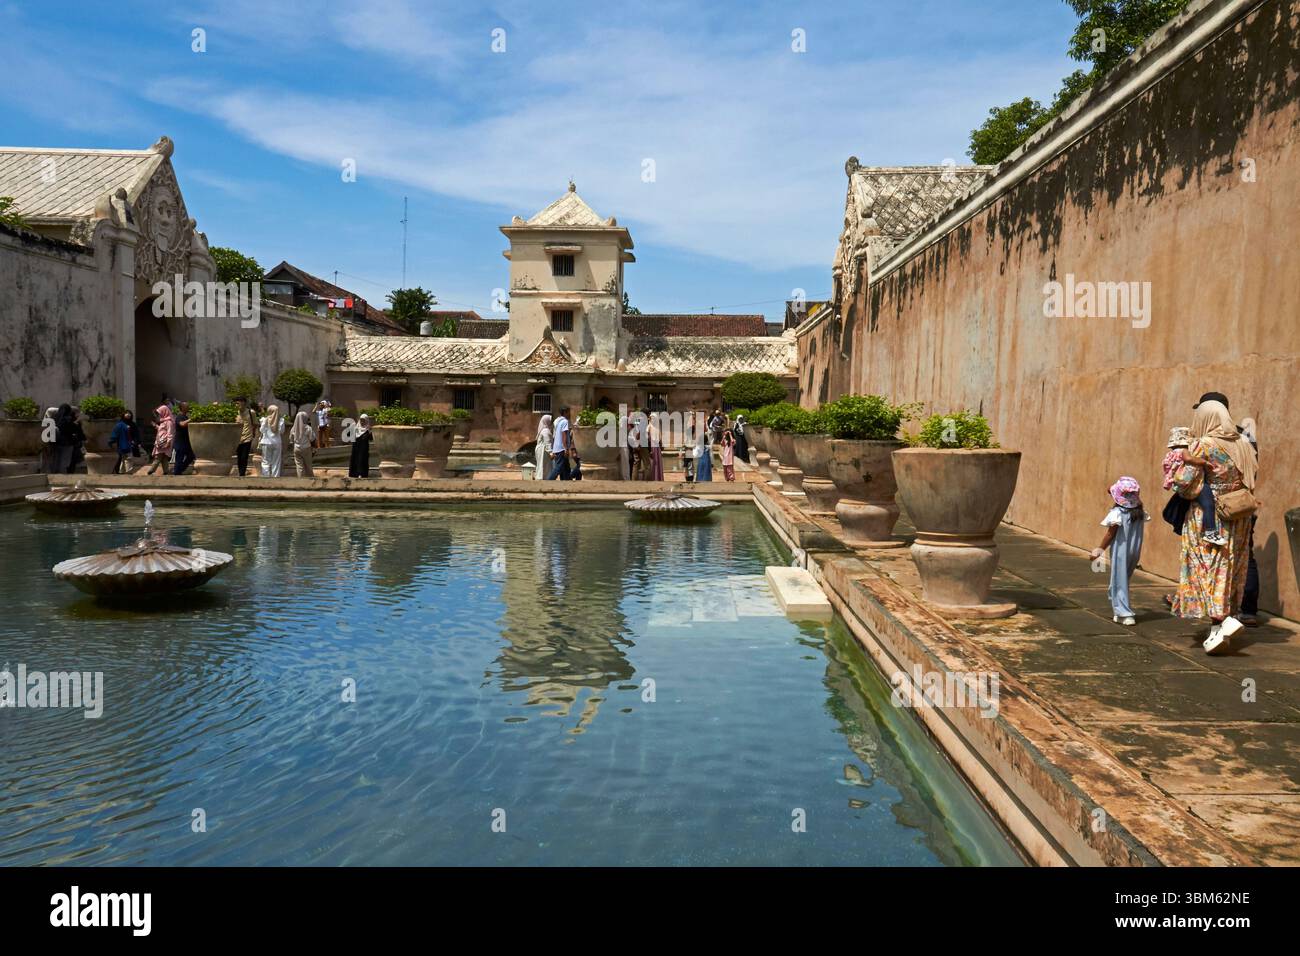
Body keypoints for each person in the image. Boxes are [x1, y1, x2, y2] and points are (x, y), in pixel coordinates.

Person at [1170, 399, 1258, 654]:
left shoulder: (1203, 444)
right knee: (1229, 567)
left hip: (1209, 517)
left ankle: (1224, 618)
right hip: (1238, 515)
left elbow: (1185, 483)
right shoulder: (1244, 444)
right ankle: (1218, 630)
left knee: (1204, 566)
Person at [1090, 477, 1148, 626]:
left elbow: (1110, 534)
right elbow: (1111, 489)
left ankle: (1125, 613)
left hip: (1121, 551)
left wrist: (1099, 550)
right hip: (1134, 551)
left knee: (1119, 580)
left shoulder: (1118, 513)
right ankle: (1118, 611)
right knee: (1122, 580)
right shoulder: (1140, 513)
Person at [1162, 425, 1226, 546]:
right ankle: (1210, 531)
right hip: (1195, 484)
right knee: (1209, 504)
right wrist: (1204, 462)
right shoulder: (1183, 450)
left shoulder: (1171, 453)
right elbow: (1188, 459)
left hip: (1183, 487)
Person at [146, 404, 174, 475]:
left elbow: (170, 432)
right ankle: (166, 471)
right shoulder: (163, 421)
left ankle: (152, 470)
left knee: (158, 457)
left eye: (160, 413)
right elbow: (161, 430)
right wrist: (155, 426)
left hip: (164, 442)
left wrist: (168, 442)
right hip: (160, 442)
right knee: (164, 458)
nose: (159, 415)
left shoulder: (169, 422)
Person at [51, 404, 79, 474]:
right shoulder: (69, 419)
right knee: (64, 463)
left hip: (56, 443)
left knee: (56, 461)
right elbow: (74, 429)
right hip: (67, 444)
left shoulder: (55, 418)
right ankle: (62, 478)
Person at [234, 396, 258, 477]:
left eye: (238, 403)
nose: (237, 405)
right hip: (237, 438)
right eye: (236, 403)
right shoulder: (235, 412)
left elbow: (255, 424)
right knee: (239, 456)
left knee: (244, 456)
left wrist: (253, 433)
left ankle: (242, 473)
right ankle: (240, 472)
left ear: (244, 403)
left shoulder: (251, 412)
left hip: (247, 437)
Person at [258, 403, 285, 478]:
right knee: (276, 461)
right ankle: (275, 477)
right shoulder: (281, 420)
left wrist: (265, 424)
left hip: (266, 442)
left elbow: (262, 430)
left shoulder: (264, 419)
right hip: (277, 442)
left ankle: (265, 477)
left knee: (265, 461)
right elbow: (282, 431)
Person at [548, 406, 573, 480]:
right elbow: (564, 434)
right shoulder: (565, 421)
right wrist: (565, 448)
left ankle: (566, 481)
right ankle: (549, 481)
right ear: (565, 412)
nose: (570, 414)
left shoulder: (558, 421)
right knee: (558, 467)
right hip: (561, 448)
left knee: (566, 467)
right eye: (568, 412)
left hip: (557, 447)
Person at [290, 409, 316, 477]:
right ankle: (310, 480)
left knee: (299, 466)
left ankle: (301, 480)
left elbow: (291, 439)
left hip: (296, 448)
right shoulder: (308, 428)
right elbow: (312, 438)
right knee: (308, 465)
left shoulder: (293, 429)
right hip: (306, 448)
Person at [172, 401, 195, 475]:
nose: (188, 407)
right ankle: (177, 472)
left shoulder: (185, 416)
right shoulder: (179, 416)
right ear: (182, 408)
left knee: (191, 456)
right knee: (179, 458)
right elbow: (182, 424)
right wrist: (191, 419)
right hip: (180, 442)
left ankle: (179, 470)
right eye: (186, 406)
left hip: (186, 442)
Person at [348, 413, 373, 478]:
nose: (362, 422)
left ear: (366, 421)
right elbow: (348, 435)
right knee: (355, 460)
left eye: (363, 420)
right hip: (355, 449)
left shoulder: (367, 431)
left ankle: (361, 474)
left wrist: (370, 432)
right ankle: (353, 474)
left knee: (362, 460)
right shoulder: (356, 428)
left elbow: (371, 439)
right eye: (361, 420)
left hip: (363, 450)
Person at [694, 413, 713, 482]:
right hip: (707, 461)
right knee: (707, 472)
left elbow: (695, 455)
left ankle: (700, 480)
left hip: (701, 461)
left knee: (700, 472)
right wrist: (712, 463)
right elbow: (711, 455)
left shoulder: (699, 446)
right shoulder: (709, 447)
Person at [533, 414, 552, 481]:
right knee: (543, 464)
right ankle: (542, 477)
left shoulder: (544, 430)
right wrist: (550, 452)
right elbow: (547, 441)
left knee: (541, 464)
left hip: (541, 449)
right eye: (550, 420)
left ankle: (541, 477)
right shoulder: (545, 430)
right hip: (543, 450)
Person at [647, 409, 664, 481]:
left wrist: (661, 445)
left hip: (657, 448)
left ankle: (658, 478)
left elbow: (660, 439)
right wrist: (650, 449)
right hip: (652, 447)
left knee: (658, 463)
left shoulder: (657, 428)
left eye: (654, 418)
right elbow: (647, 438)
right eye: (652, 418)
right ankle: (653, 478)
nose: (653, 420)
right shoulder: (649, 427)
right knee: (653, 463)